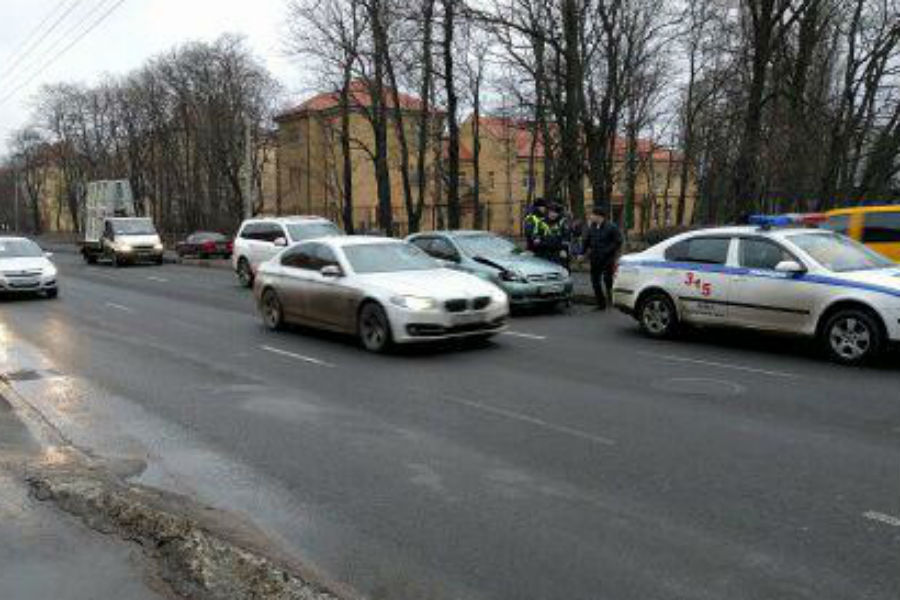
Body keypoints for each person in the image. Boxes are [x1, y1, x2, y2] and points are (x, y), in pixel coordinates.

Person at [582, 206, 623, 310]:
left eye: (592, 215)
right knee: (595, 281)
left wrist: (607, 251)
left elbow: (618, 241)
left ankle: (611, 298)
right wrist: (582, 252)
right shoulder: (592, 226)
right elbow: (587, 240)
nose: (591, 217)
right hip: (595, 258)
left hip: (607, 259)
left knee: (608, 280)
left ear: (599, 216)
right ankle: (601, 303)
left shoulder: (611, 227)